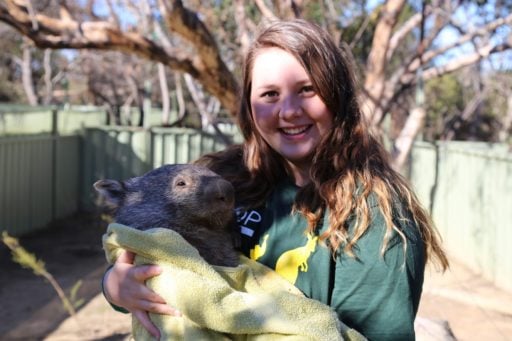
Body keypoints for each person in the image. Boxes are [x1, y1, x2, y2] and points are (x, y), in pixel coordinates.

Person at [102, 19, 449, 340]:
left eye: (307, 89)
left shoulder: (375, 218)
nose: (289, 110)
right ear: (249, 107)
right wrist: (115, 286)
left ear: (337, 95)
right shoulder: (225, 177)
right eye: (270, 94)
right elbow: (156, 255)